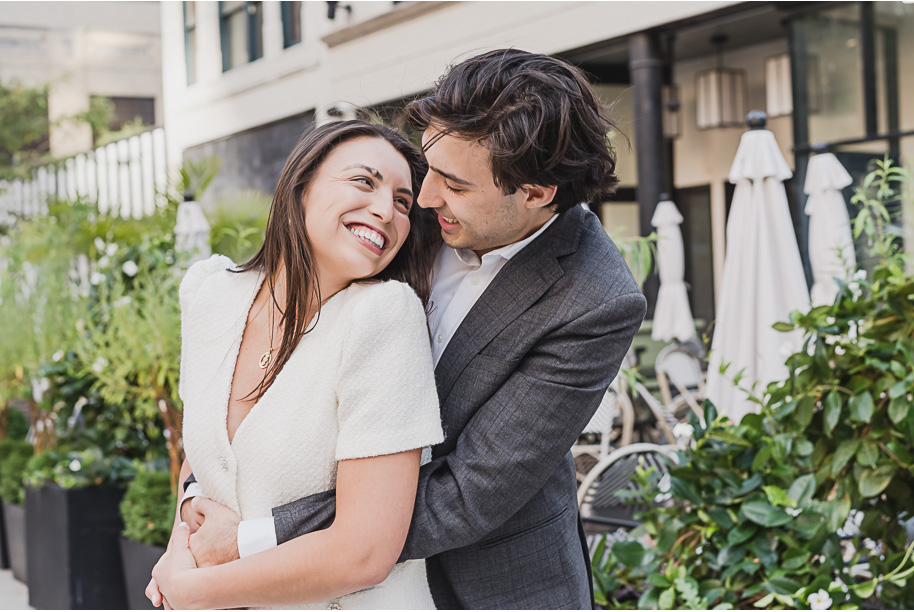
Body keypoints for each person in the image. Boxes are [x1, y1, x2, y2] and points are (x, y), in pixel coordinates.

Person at [153, 48, 647, 609]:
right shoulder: (398, 210)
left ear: (535, 194)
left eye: (455, 186)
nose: (424, 197)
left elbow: (468, 492)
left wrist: (254, 536)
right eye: (429, 169)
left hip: (491, 581)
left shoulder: (596, 302)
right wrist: (193, 517)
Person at [149, 120, 445, 609]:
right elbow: (205, 459)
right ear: (301, 184)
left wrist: (193, 590)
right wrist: (176, 549)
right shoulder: (212, 294)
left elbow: (364, 552)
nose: (385, 210)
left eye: (402, 201)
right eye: (364, 181)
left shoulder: (383, 316)